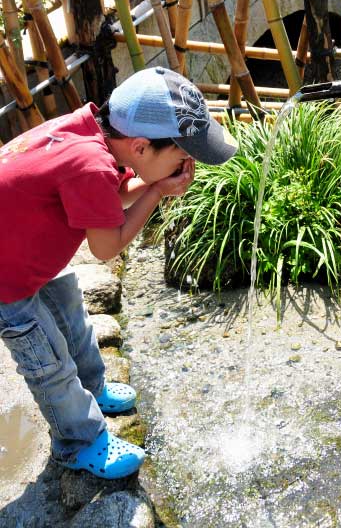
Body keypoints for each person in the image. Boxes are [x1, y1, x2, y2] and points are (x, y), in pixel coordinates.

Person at [0, 66, 237, 480]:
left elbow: (109, 194)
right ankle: (79, 443)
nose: (186, 165)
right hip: (7, 280)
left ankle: (94, 388)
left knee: (71, 317)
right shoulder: (90, 164)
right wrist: (159, 191)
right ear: (142, 147)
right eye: (181, 156)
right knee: (47, 361)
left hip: (24, 254)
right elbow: (106, 247)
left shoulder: (92, 132)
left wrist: (154, 184)